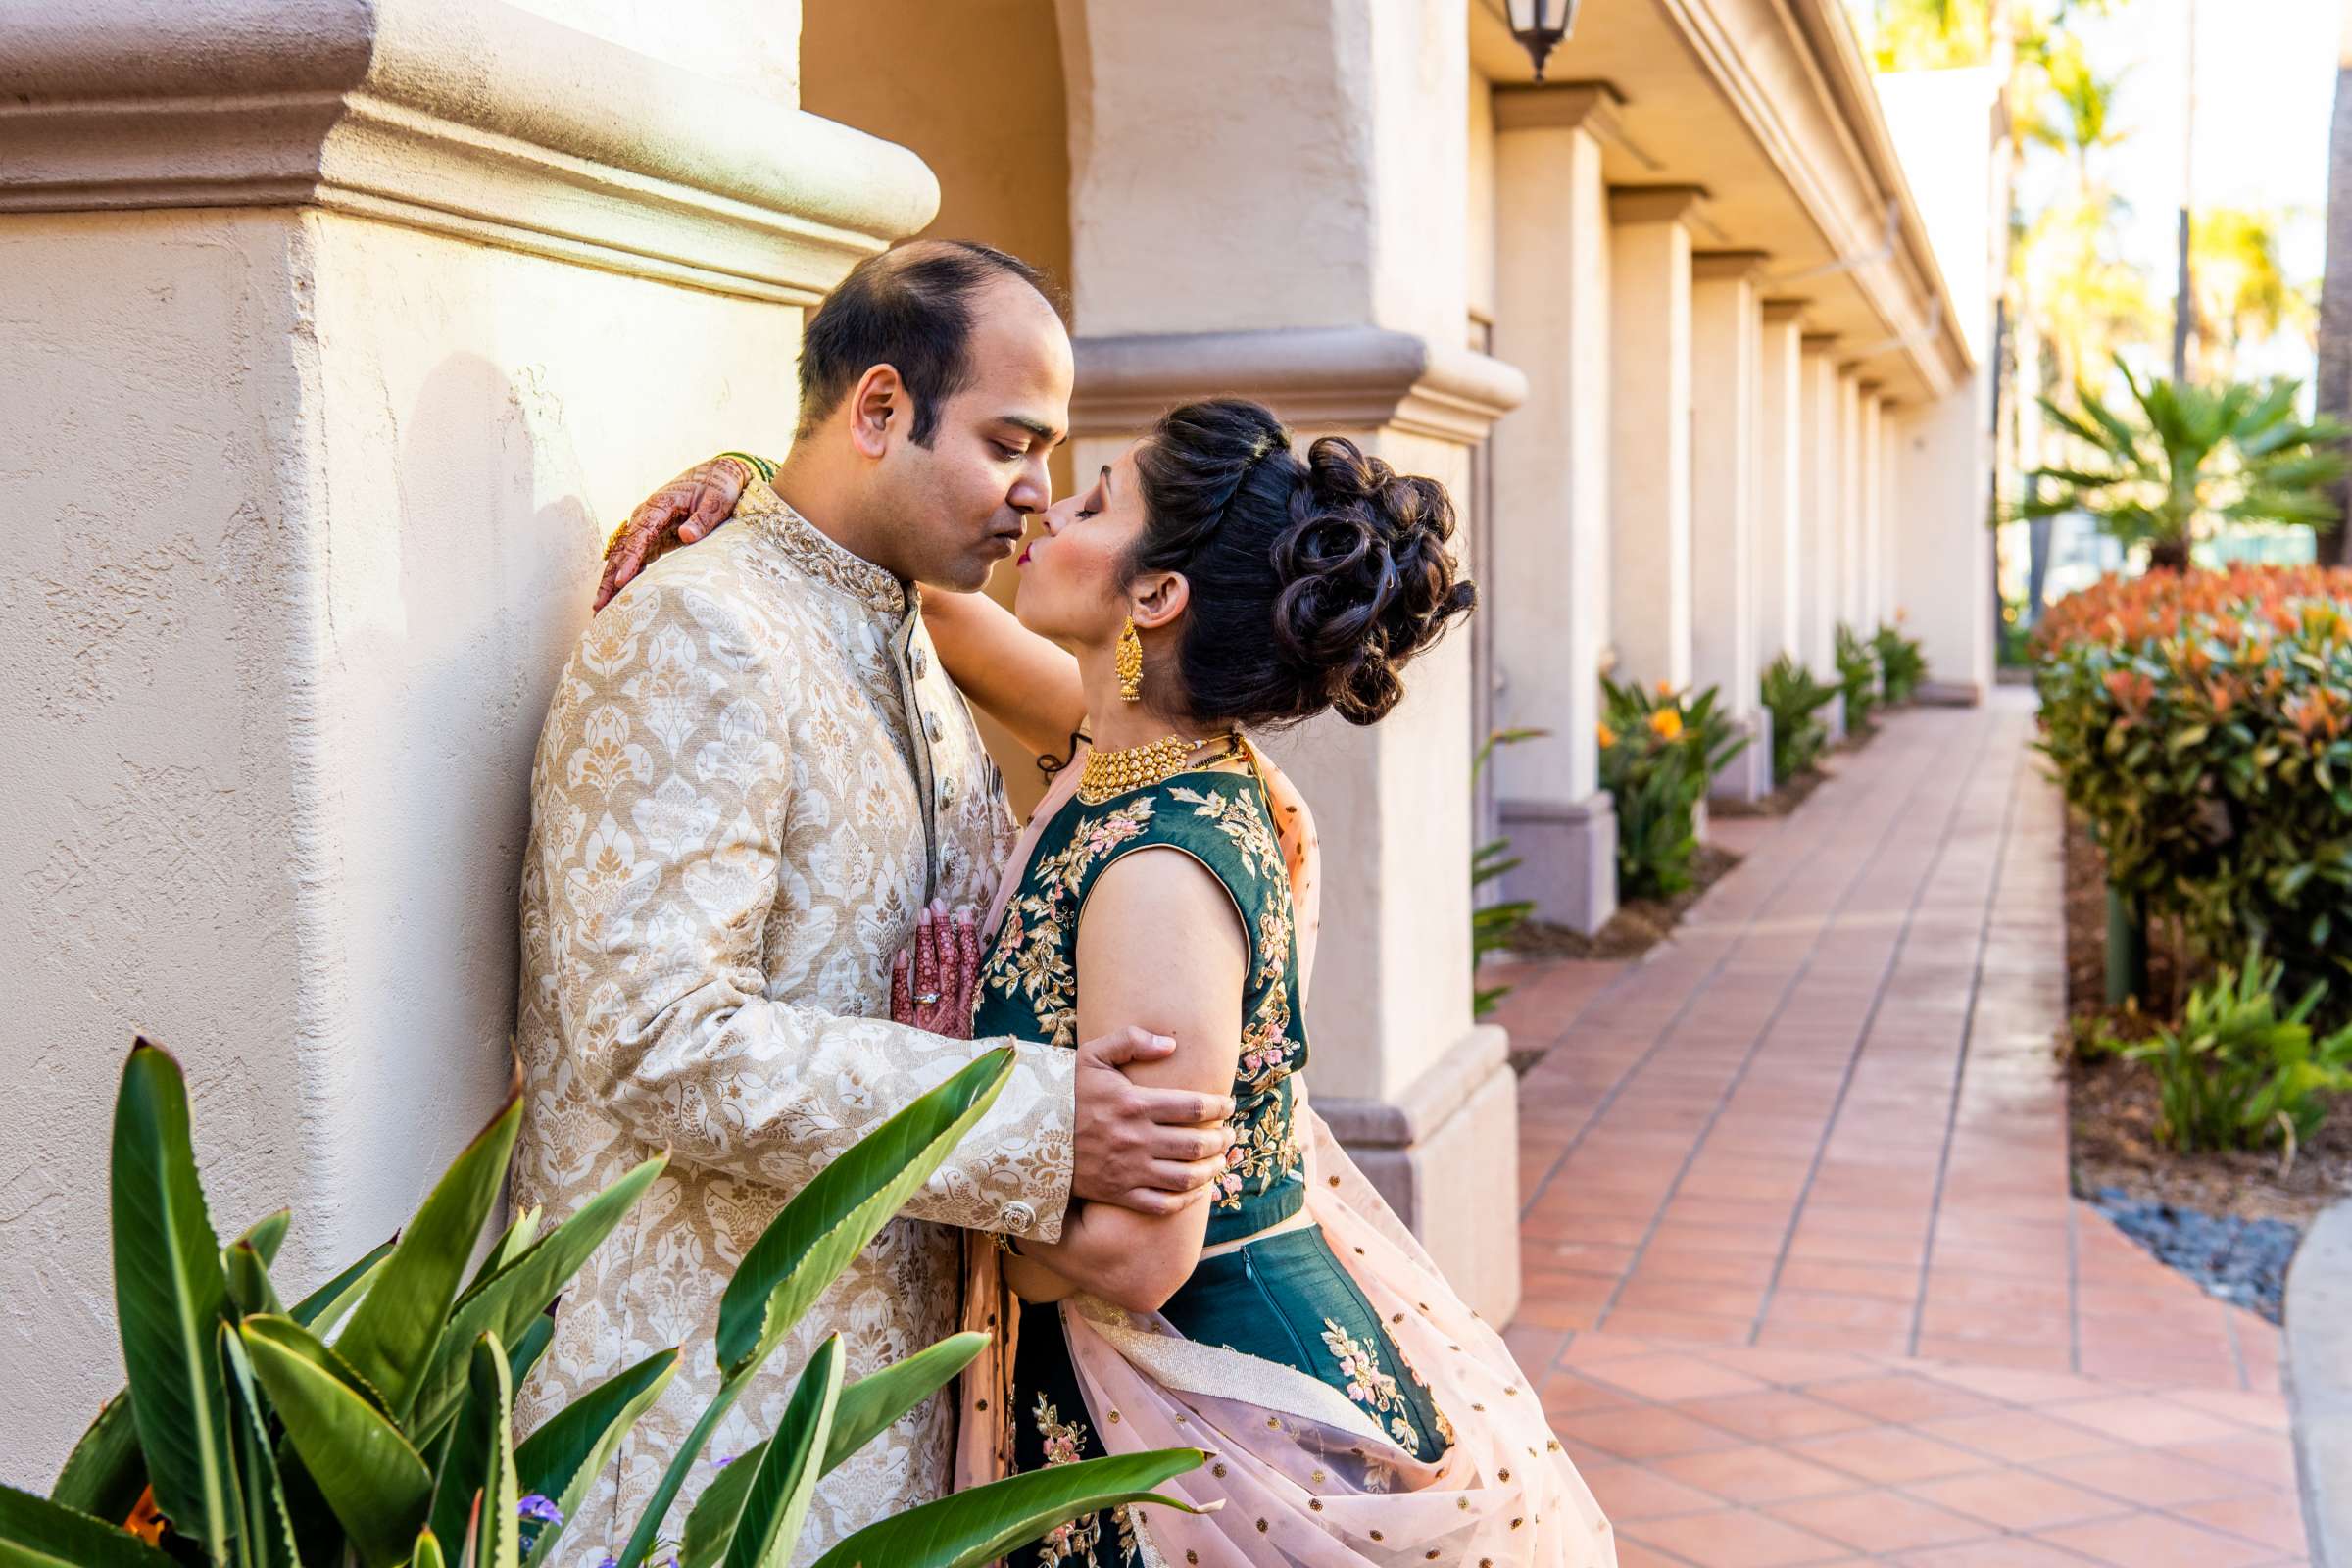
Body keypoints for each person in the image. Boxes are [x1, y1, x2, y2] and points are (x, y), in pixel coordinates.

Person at [605, 399, 1617, 1565]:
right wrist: (753, 480)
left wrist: (957, 1130)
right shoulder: (1131, 752)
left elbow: (1140, 1257)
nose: (1044, 501)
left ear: (1155, 598)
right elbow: (918, 594)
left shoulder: (1156, 871)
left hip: (1216, 1422)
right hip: (1140, 1389)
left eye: (1094, 500)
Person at [510, 240, 1240, 1558]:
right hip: (703, 1424)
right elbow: (654, 1038)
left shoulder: (912, 626)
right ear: (881, 408)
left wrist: (746, 467)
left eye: (1059, 460)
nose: (1036, 496)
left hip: (877, 1409)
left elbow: (1162, 737)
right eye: (1013, 443)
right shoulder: (702, 632)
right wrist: (1036, 1113)